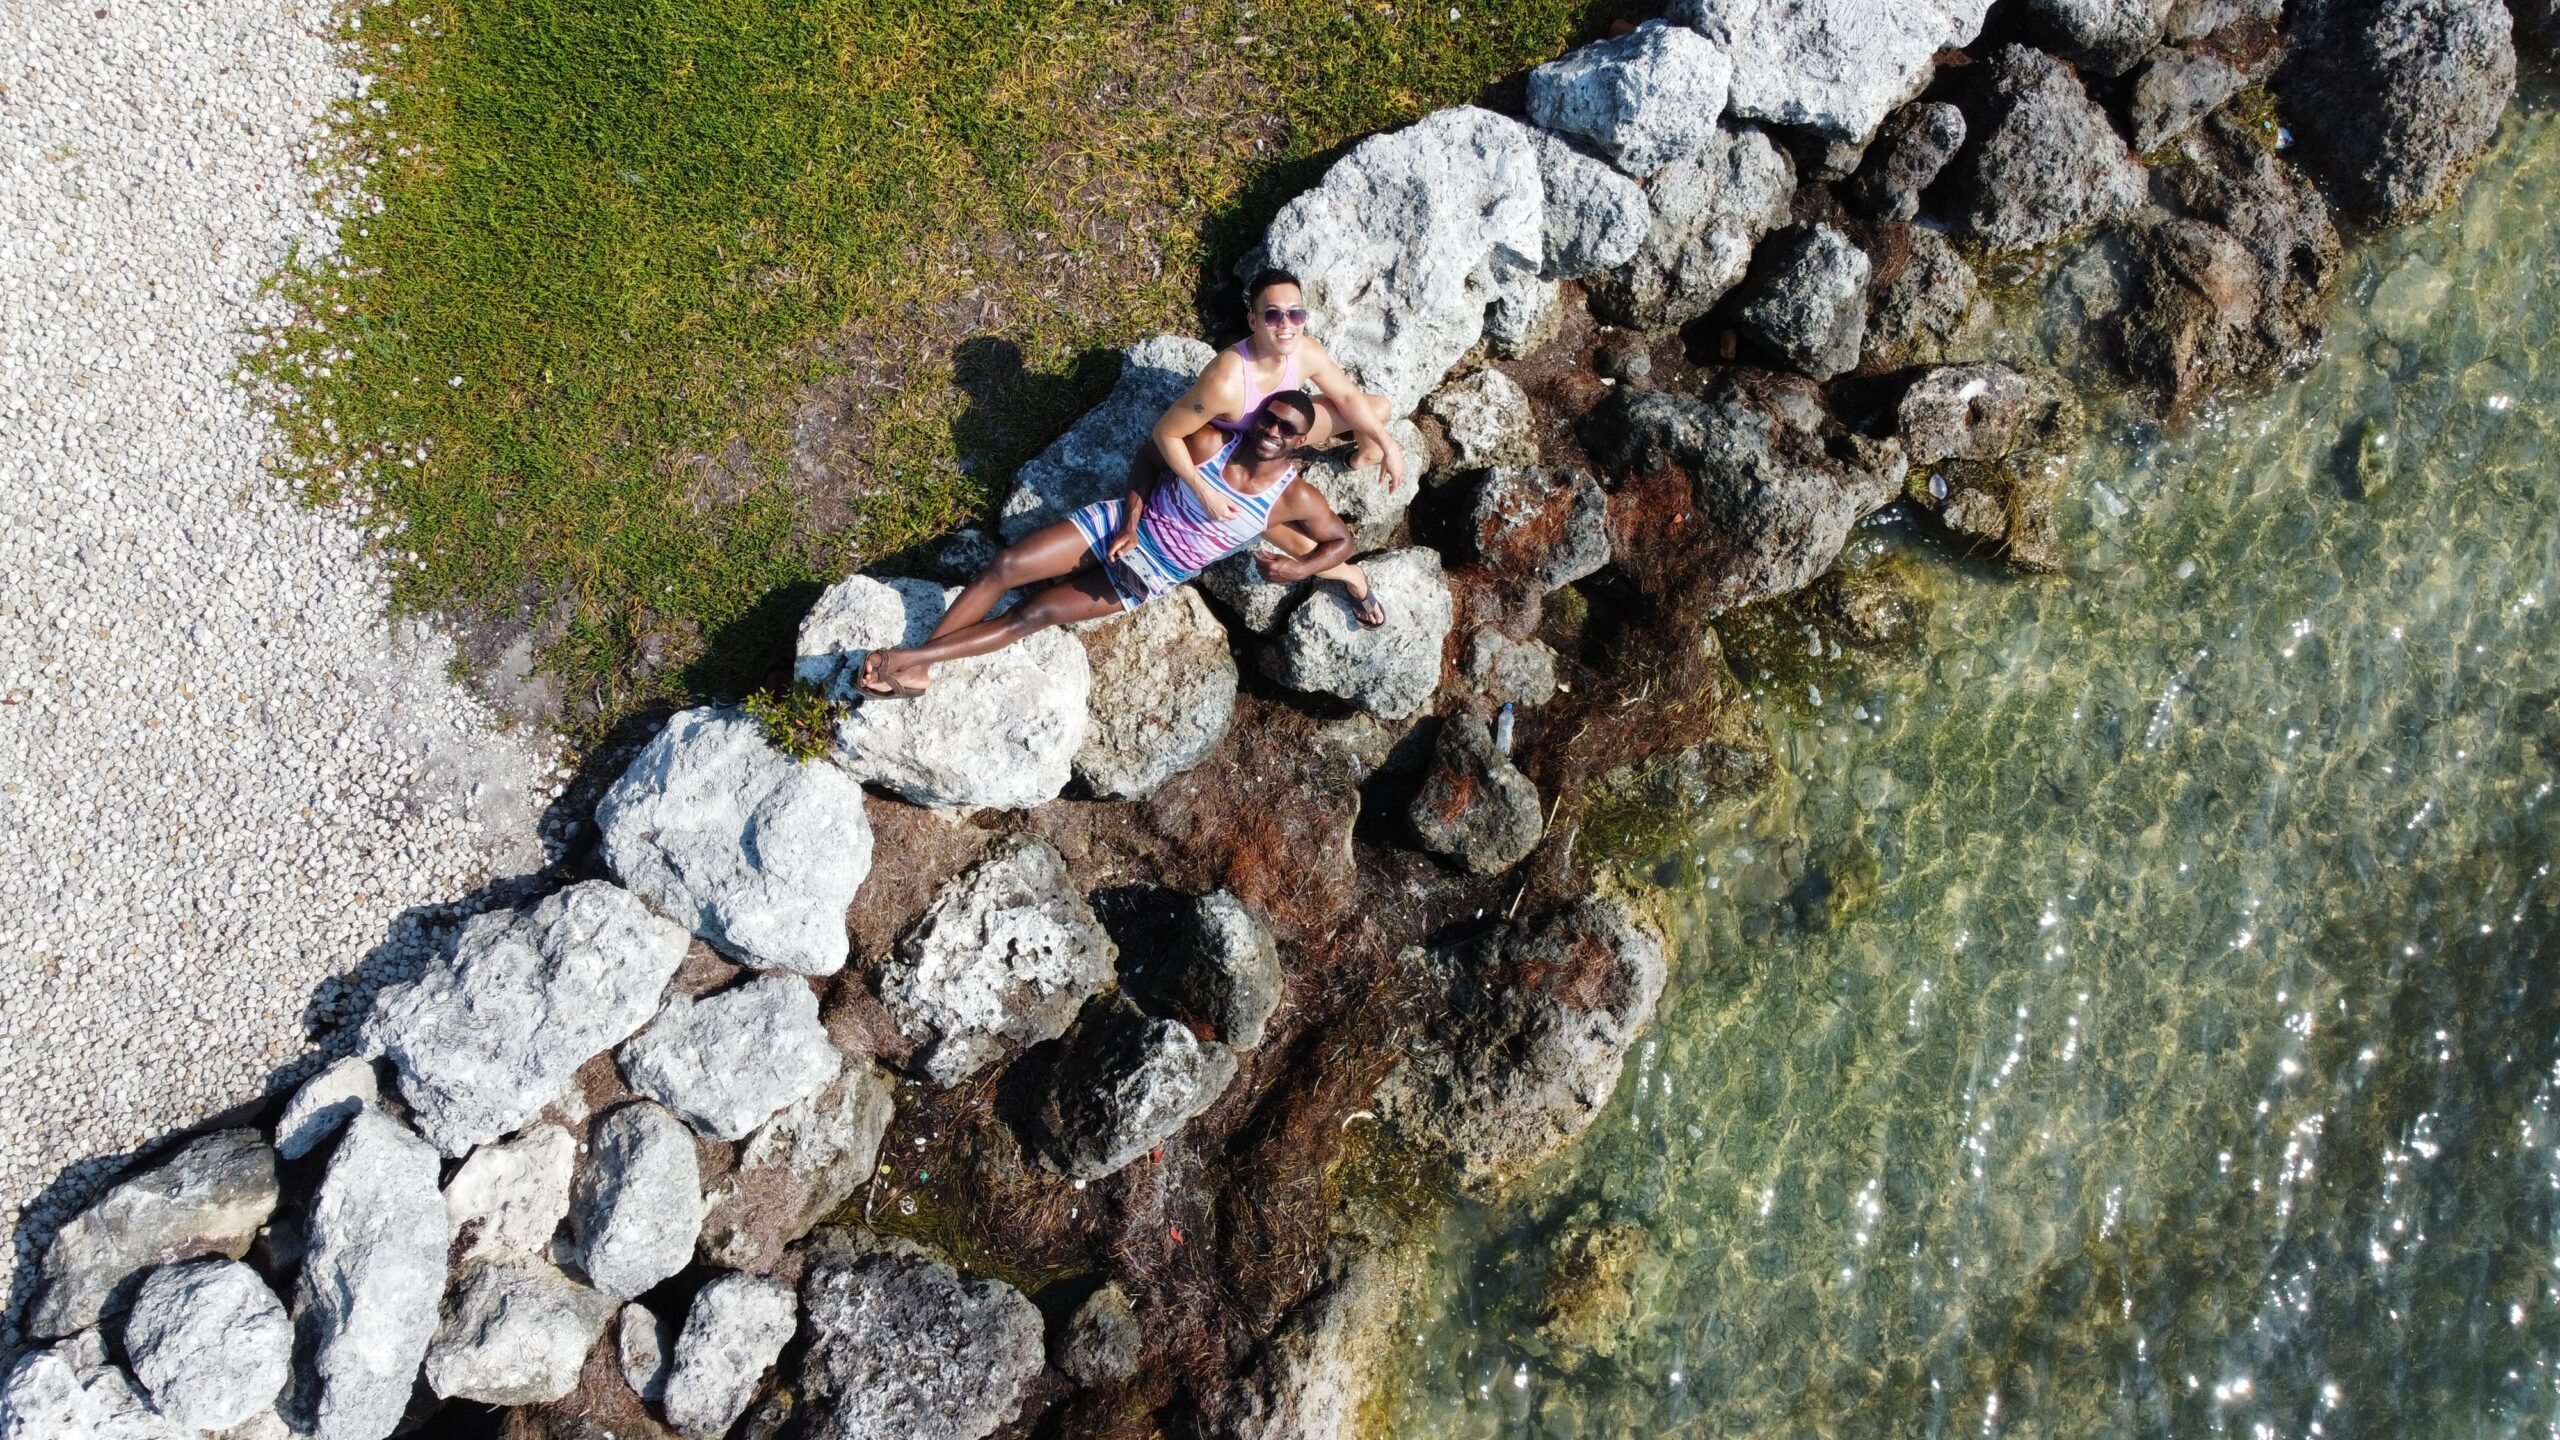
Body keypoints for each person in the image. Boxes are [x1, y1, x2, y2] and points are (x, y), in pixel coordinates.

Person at [857, 391, 1353, 697]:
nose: (1272, 430)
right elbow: (1149, 458)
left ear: (1301, 441)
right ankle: (914, 666)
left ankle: (912, 663)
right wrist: (1131, 521)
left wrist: (1299, 568)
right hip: (1120, 525)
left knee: (1032, 614)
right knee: (1006, 564)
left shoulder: (1295, 497)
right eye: (1269, 417)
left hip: (1151, 573)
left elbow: (1341, 541)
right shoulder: (1209, 444)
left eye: (1287, 428)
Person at [1152, 268, 1405, 625]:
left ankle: (1359, 457)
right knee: (1269, 523)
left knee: (1378, 410)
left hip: (1284, 428)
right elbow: (1164, 432)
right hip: (1242, 456)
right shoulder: (1225, 380)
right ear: (1253, 320)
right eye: (1273, 314)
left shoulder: (1304, 351)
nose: (1287, 324)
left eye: (1296, 313)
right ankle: (1352, 576)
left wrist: (1387, 446)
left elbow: (1347, 395)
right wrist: (1202, 487)